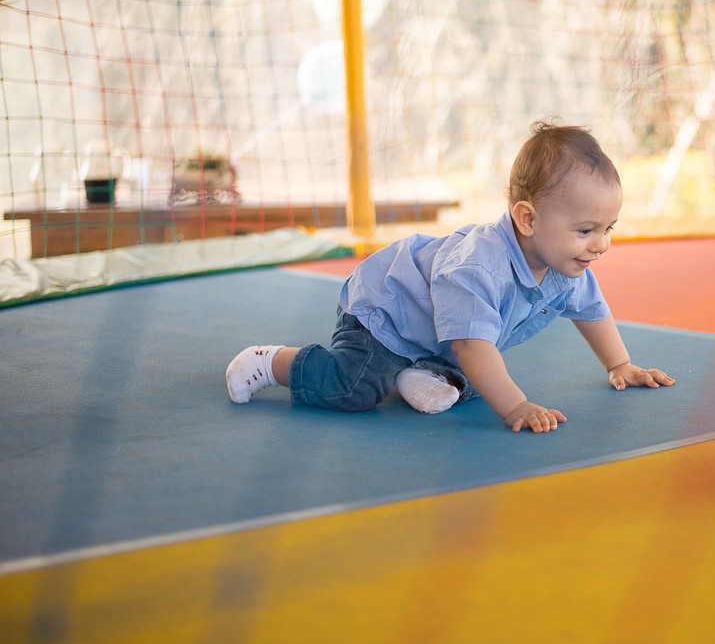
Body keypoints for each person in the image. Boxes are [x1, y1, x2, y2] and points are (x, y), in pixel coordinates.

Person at [226, 120, 675, 432]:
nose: (600, 244)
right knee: (357, 386)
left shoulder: (566, 266)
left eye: (607, 229)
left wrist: (620, 365)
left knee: (483, 374)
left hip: (441, 334)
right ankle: (273, 361)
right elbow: (471, 345)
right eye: (585, 230)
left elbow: (591, 311)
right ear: (527, 218)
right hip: (389, 311)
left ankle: (420, 373)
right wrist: (517, 406)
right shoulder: (480, 268)